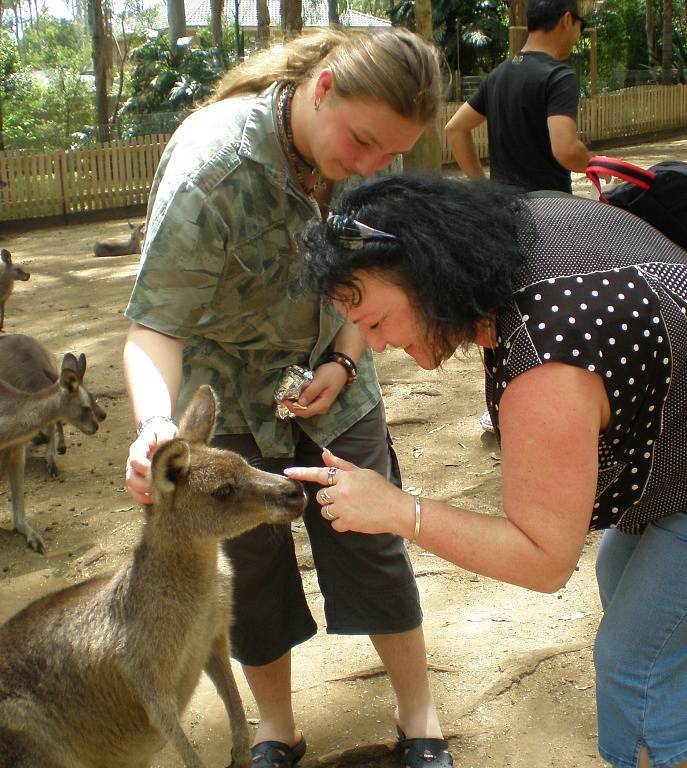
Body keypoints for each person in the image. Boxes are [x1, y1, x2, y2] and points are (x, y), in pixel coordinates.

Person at [122, 29, 454, 768]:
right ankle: (278, 728)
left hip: (336, 385)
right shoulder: (214, 166)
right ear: (323, 86)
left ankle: (419, 718)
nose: (370, 166)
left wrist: (344, 353)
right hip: (229, 395)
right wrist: (152, 426)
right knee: (250, 566)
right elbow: (154, 328)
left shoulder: (372, 154)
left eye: (387, 152)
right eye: (362, 141)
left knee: (373, 544)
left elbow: (372, 268)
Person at [287, 173, 687, 768]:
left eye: (374, 322)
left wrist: (400, 511)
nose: (373, 344)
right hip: (668, 449)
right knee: (621, 575)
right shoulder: (514, 237)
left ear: (429, 277)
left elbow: (544, 557)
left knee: (633, 665)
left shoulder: (548, 354)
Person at [444, 0, 590, 193]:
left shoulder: (497, 75)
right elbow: (566, 150)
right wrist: (594, 164)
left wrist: (484, 188)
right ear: (567, 20)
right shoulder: (558, 76)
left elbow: (455, 128)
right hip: (548, 210)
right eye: (582, 26)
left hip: (506, 211)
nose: (579, 35)